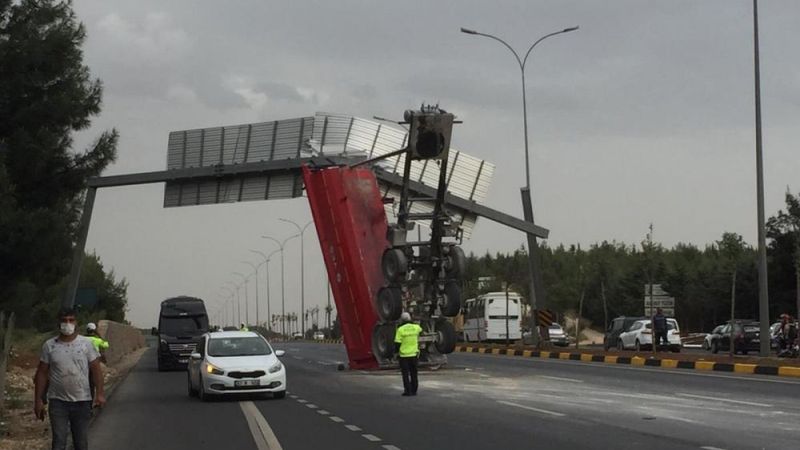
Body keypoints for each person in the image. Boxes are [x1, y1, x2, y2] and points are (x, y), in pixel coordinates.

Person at [34, 308, 105, 450]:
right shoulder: (50, 346)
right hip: (58, 402)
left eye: (71, 320)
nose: (68, 324)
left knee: (80, 442)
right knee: (59, 441)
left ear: (76, 322)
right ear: (58, 323)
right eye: (64, 320)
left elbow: (96, 369)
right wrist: (38, 400)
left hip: (82, 401)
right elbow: (41, 373)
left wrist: (100, 394)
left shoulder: (86, 344)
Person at [394, 312, 422, 396]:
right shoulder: (416, 327)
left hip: (404, 356)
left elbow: (397, 343)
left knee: (405, 374)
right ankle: (414, 390)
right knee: (414, 373)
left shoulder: (400, 330)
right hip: (414, 354)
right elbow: (421, 330)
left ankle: (408, 391)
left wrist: (395, 353)